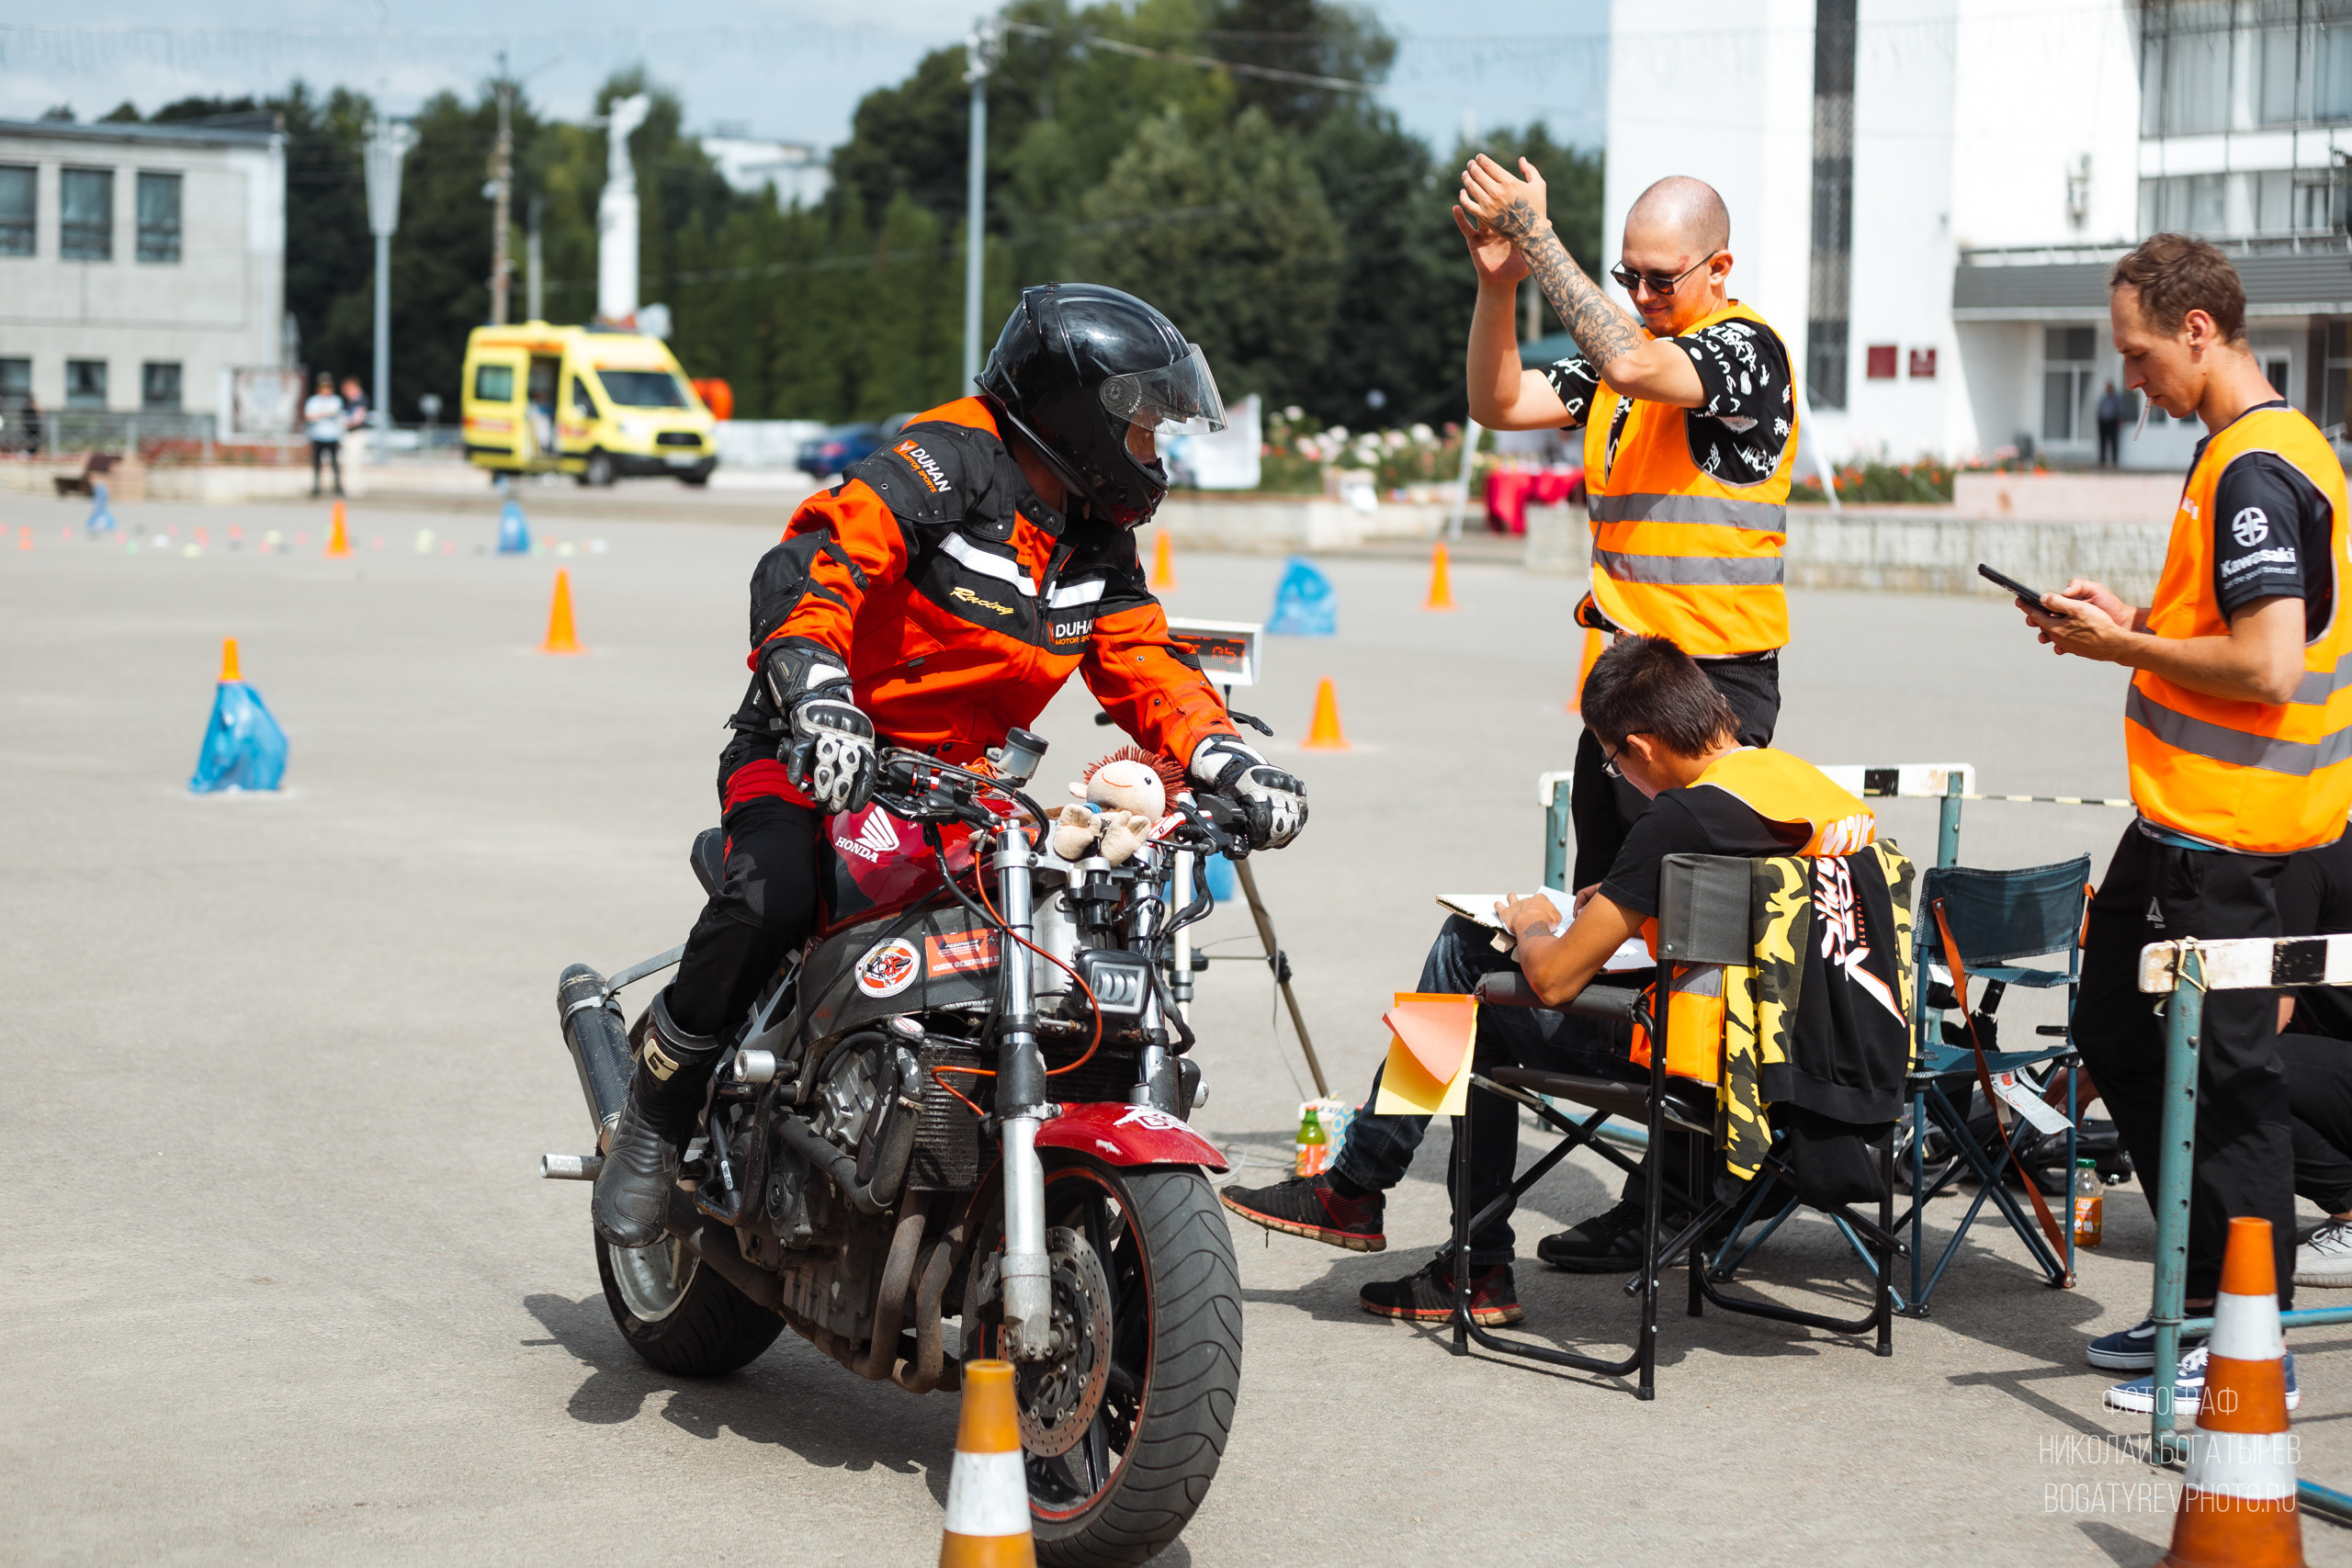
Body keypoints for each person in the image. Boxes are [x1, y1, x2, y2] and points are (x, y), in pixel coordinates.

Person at [591, 283, 1310, 1248]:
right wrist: (816, 688)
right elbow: (818, 566)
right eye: (1145, 427)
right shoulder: (941, 463)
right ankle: (656, 1111)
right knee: (771, 897)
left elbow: (1144, 658)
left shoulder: (1094, 535)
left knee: (1052, 927)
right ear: (1079, 414)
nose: (1156, 452)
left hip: (961, 788)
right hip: (816, 748)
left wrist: (1225, 757)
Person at [1222, 637, 1907, 1323]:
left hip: (1708, 1064)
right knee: (1472, 1002)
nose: (1618, 775)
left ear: (1639, 747)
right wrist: (1634, 901)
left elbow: (1551, 981)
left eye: (1613, 761)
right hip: (1833, 1062)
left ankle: (1393, 1211)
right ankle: (1409, 1224)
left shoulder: (1681, 817)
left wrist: (1530, 923)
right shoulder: (1810, 790)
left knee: (1465, 965)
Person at [2018, 233, 2350, 1415]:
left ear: (2197, 330)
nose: (2129, 379)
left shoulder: (2256, 468)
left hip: (2237, 834)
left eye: (2138, 353)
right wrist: (2136, 623)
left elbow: (2266, 665)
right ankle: (2201, 1300)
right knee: (2114, 1024)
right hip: (2185, 822)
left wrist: (2122, 646)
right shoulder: (2257, 451)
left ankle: (2249, 1341)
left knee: (2230, 1079)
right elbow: (2236, 639)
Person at [1455, 165, 1796, 893]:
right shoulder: (1629, 355)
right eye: (1628, 276)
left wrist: (1538, 236)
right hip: (1631, 673)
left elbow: (1633, 364)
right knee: (1604, 900)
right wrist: (1498, 286)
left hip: (1714, 677)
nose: (1641, 295)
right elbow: (1499, 402)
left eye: (1661, 280)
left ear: (1719, 268)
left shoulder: (1745, 349)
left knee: (1680, 910)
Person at [302, 373, 345, 498]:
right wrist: (324, 414)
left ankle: (337, 486)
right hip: (318, 436)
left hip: (332, 436)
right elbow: (309, 416)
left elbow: (335, 413)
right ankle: (316, 486)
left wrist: (319, 414)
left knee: (335, 463)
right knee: (317, 463)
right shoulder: (313, 401)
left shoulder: (336, 400)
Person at [2096, 380, 2126, 468]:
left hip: (2112, 422)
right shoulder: (2103, 398)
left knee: (2114, 442)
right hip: (2103, 422)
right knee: (2103, 442)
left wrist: (2120, 419)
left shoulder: (2116, 398)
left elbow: (2120, 409)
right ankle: (2102, 461)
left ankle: (2115, 461)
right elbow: (2099, 409)